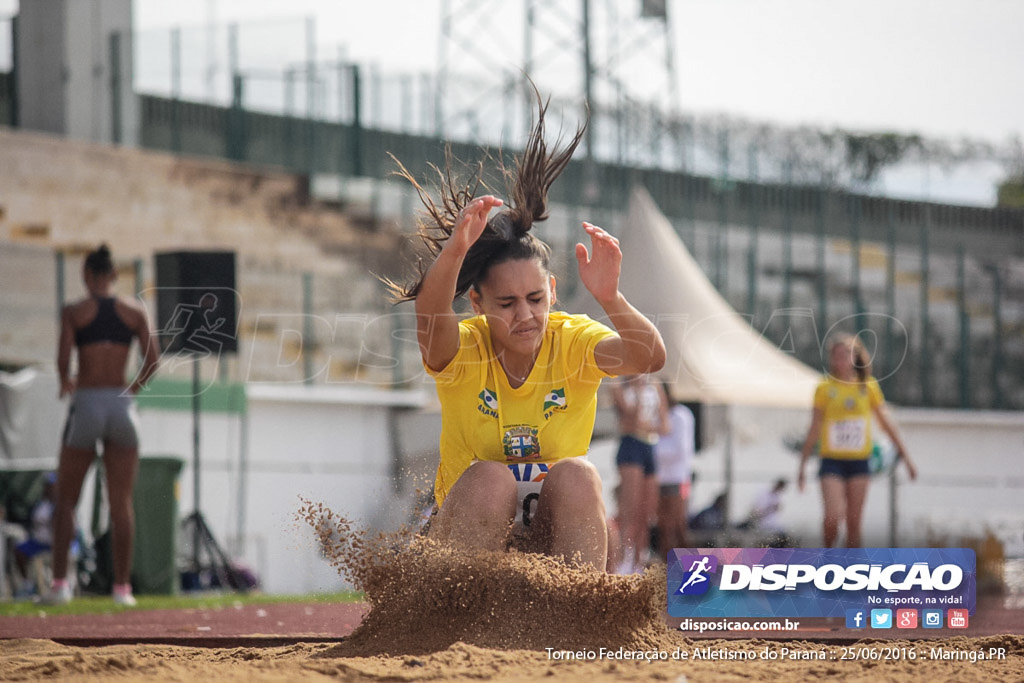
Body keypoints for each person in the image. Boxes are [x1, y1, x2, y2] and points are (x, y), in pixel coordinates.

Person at [386, 90, 666, 570]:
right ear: (476, 302)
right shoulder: (465, 348)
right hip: (471, 539)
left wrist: (610, 299)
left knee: (579, 474)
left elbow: (648, 358)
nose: (526, 316)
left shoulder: (573, 339)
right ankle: (460, 619)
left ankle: (577, 612)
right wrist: (454, 253)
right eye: (507, 303)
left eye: (536, 299)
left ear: (553, 291)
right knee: (491, 477)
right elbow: (430, 317)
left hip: (552, 539)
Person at [51, 244, 160, 605]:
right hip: (121, 404)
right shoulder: (134, 310)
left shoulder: (74, 312)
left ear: (86, 275)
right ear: (114, 275)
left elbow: (63, 360)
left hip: (87, 403)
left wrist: (66, 380)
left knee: (66, 500)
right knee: (120, 503)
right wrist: (132, 389)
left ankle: (60, 587)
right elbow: (153, 360)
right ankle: (122, 590)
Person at [797, 333, 917, 548]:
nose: (840, 360)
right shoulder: (824, 387)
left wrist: (906, 458)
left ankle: (852, 574)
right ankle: (828, 557)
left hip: (859, 462)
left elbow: (885, 423)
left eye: (845, 355)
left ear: (855, 357)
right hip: (831, 460)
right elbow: (814, 427)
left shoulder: (868, 386)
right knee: (833, 517)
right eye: (836, 355)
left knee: (854, 523)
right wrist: (802, 465)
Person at [611, 374, 669, 574]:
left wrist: (646, 425)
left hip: (649, 446)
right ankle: (624, 560)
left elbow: (665, 425)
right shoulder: (620, 384)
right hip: (630, 445)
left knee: (647, 511)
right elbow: (630, 419)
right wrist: (636, 390)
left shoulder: (654, 383)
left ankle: (639, 560)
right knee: (630, 509)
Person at [652, 389, 695, 559]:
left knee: (679, 525)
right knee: (664, 527)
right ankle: (669, 567)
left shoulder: (681, 415)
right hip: (661, 479)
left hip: (680, 478)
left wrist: (651, 452)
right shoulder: (657, 417)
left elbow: (680, 450)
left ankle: (692, 566)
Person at [740, 478, 791, 547]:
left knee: (785, 537)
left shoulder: (777, 497)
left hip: (773, 525)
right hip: (763, 525)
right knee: (781, 537)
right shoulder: (764, 495)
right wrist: (771, 508)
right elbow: (756, 513)